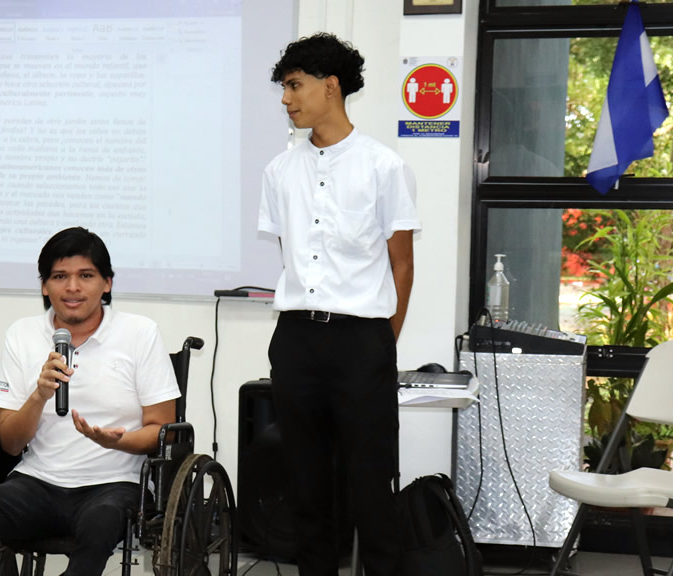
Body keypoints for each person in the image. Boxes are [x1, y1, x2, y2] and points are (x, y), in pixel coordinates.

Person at [258, 33, 420, 576]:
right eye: (285, 87)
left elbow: (402, 265)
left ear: (331, 88)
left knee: (371, 484)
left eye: (295, 85)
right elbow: (291, 256)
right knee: (305, 484)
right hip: (297, 338)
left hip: (361, 340)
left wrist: (380, 342)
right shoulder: (279, 172)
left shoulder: (383, 166)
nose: (287, 99)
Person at [0, 226, 181, 576]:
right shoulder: (22, 334)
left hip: (113, 485)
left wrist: (116, 440)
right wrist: (39, 396)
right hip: (37, 482)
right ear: (44, 285)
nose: (72, 287)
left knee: (101, 520)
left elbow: (165, 431)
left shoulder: (139, 333)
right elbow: (10, 443)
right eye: (60, 276)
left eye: (85, 275)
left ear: (107, 283)